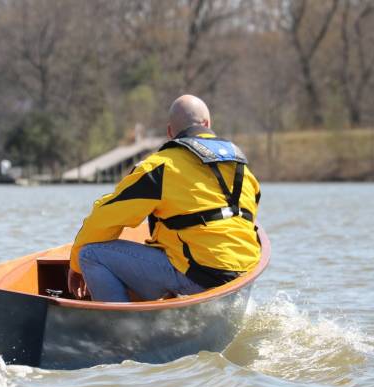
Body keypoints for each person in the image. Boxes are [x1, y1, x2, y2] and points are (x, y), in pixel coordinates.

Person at [67, 95, 261, 302]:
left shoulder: (161, 167)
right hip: (244, 271)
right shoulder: (244, 169)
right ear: (208, 124)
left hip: (201, 275)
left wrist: (75, 265)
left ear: (170, 132)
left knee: (90, 254)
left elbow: (105, 216)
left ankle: (119, 328)